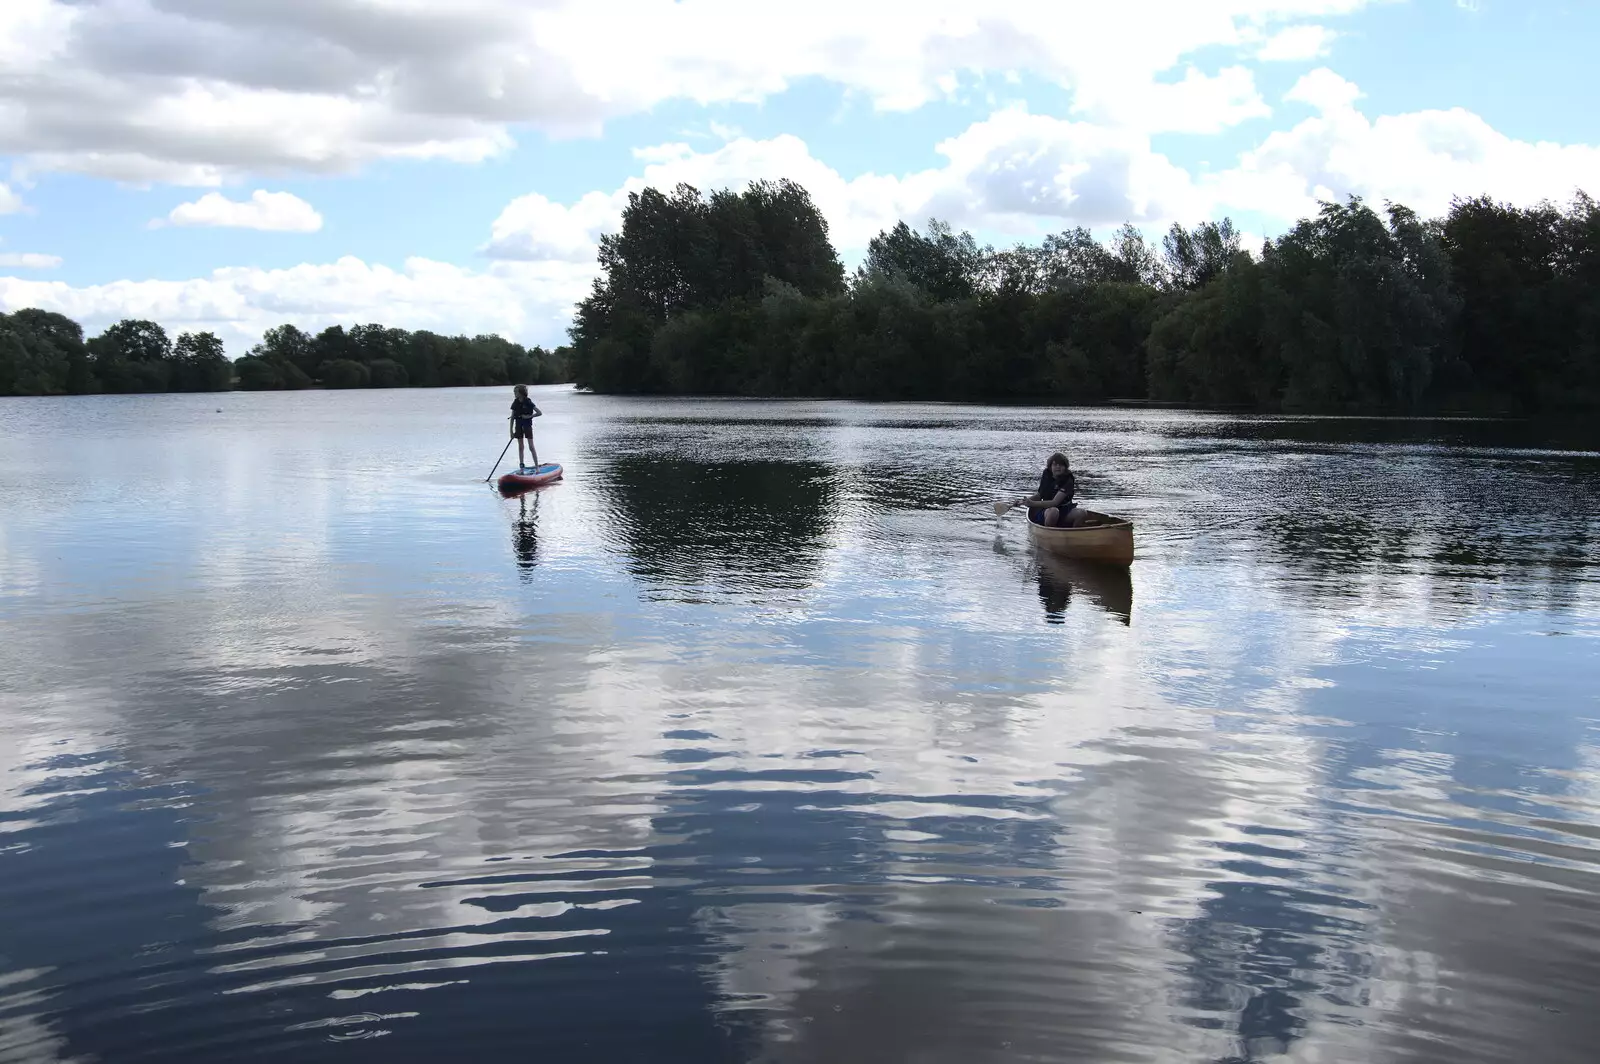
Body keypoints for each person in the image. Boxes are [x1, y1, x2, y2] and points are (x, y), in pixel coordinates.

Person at [1016, 452, 1086, 527]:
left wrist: (1032, 503)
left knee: (1082, 513)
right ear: (1050, 467)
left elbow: (1055, 502)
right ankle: (1050, 532)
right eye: (1055, 464)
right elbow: (1040, 495)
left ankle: (1073, 533)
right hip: (1048, 510)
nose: (1058, 467)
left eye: (1061, 465)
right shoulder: (1046, 475)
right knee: (1053, 512)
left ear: (1065, 467)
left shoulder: (1068, 480)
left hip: (1064, 509)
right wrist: (1023, 501)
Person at [510, 384, 542, 469]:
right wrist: (511, 431)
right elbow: (512, 417)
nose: (514, 393)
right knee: (520, 446)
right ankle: (521, 466)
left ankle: (537, 467)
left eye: (516, 392)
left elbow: (539, 413)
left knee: (531, 446)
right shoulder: (515, 402)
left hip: (527, 425)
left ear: (521, 393)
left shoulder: (528, 401)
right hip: (518, 426)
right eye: (514, 392)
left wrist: (529, 416)